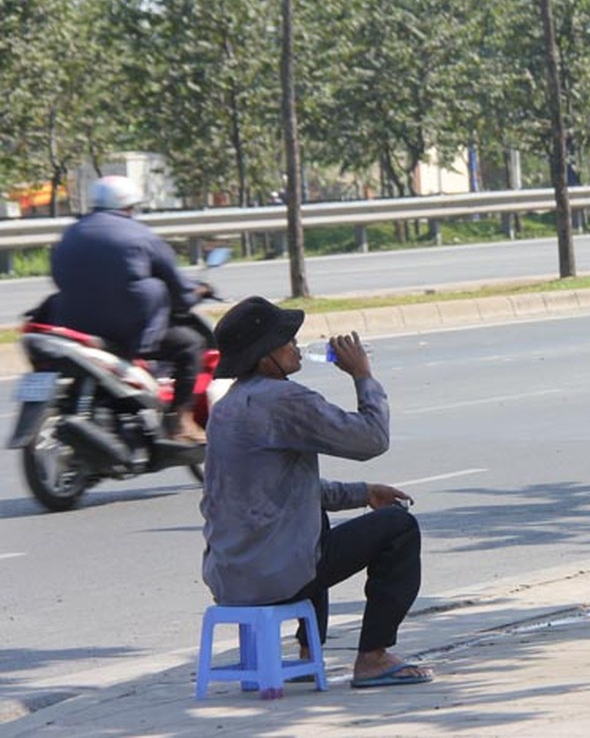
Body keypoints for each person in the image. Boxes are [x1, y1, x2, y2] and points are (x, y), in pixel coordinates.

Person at [200, 295, 432, 687]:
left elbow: (283, 491)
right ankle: (373, 657)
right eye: (285, 341)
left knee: (312, 526)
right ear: (264, 357)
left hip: (229, 574)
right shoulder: (285, 399)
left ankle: (310, 653)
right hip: (275, 574)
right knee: (399, 528)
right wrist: (362, 375)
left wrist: (363, 493)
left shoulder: (228, 405)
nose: (294, 346)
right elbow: (371, 439)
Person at [50, 175, 212, 442]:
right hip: (126, 332)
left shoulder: (71, 233)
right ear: (130, 205)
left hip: (73, 327)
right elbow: (179, 289)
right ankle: (181, 420)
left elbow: (57, 277)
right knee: (190, 345)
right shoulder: (140, 235)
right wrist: (199, 292)